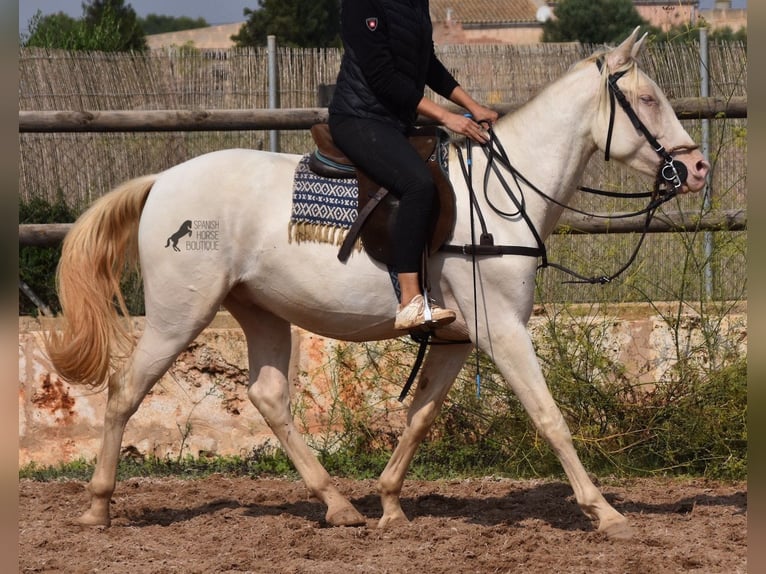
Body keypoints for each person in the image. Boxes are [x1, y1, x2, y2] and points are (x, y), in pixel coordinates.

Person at [329, 0, 499, 331]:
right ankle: (409, 300)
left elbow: (428, 67)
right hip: (359, 118)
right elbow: (383, 77)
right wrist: (448, 117)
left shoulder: (416, 3)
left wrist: (472, 106)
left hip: (395, 121)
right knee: (418, 184)